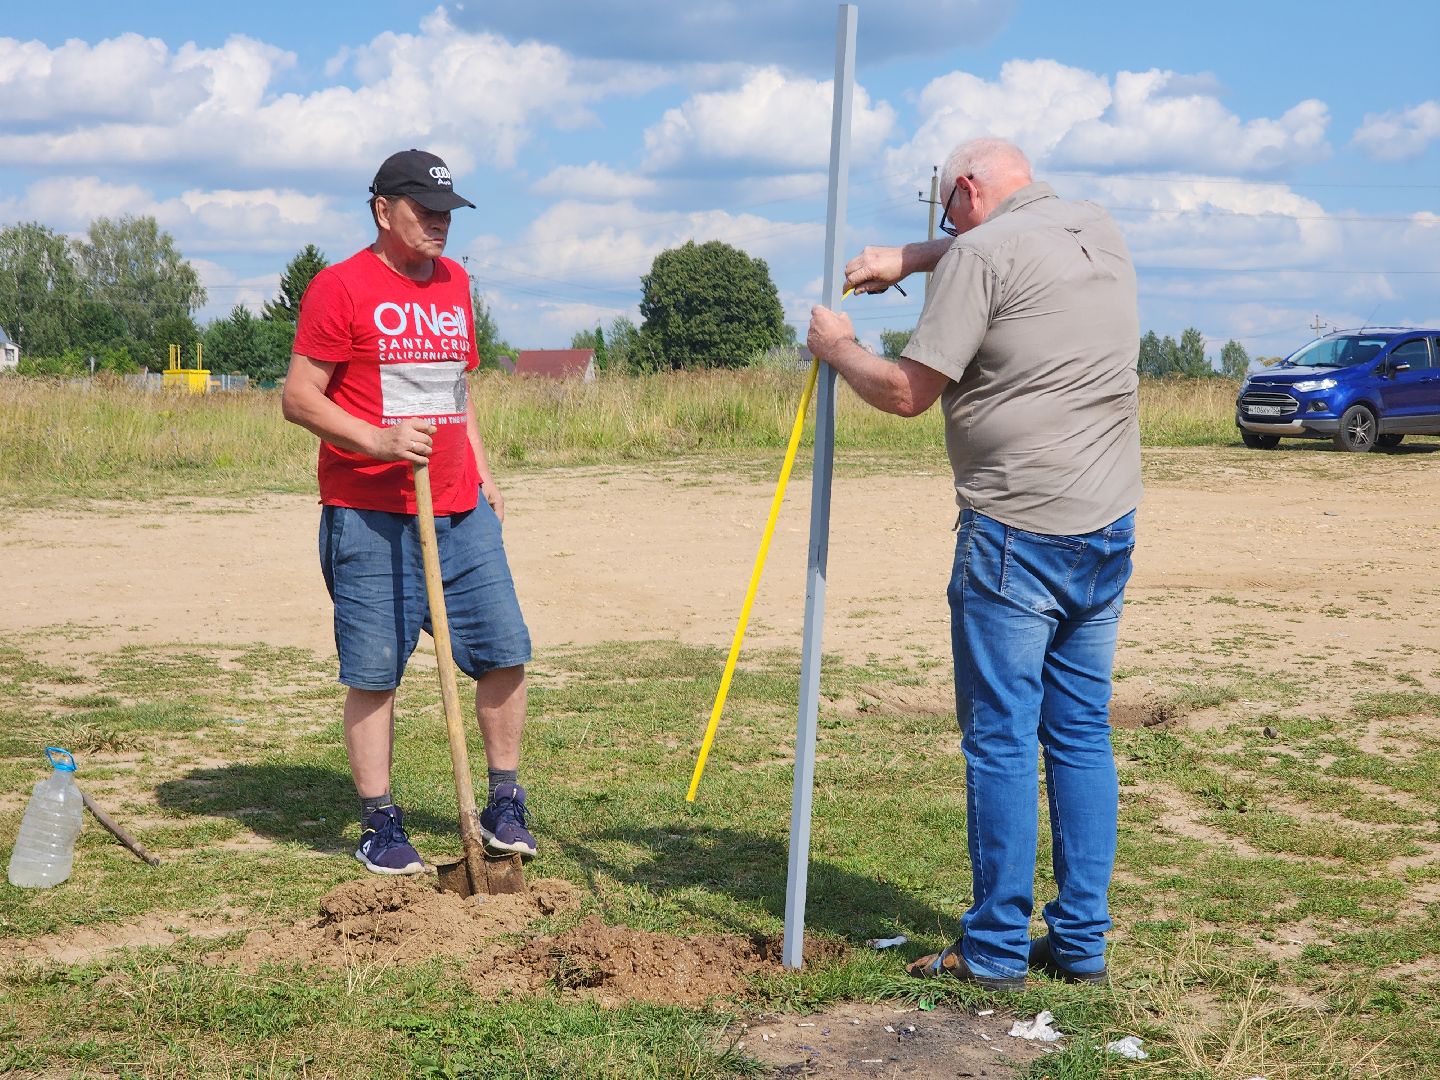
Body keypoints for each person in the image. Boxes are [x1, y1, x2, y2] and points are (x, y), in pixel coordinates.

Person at [806, 137, 1140, 990]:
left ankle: (993, 949)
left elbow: (907, 393)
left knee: (999, 742)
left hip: (1014, 537)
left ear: (964, 191)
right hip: (1106, 529)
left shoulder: (983, 253)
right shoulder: (1094, 226)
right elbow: (990, 244)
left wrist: (838, 346)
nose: (944, 226)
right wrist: (905, 258)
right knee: (1078, 734)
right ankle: (1080, 943)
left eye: (944, 210)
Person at [282, 149, 537, 875]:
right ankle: (379, 823)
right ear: (382, 210)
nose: (438, 224)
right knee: (374, 672)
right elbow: (299, 397)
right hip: (369, 511)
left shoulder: (455, 283)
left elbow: (460, 389)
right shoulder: (340, 288)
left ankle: (504, 804)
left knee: (505, 652)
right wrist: (379, 441)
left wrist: (483, 471)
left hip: (461, 510)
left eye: (447, 213)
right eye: (424, 210)